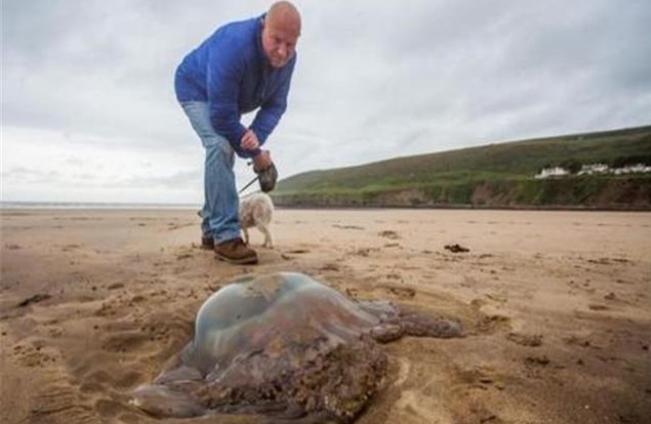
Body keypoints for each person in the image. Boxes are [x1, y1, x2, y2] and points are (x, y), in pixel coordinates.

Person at [175, 2, 301, 265]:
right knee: (220, 144)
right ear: (263, 25)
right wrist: (257, 155)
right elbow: (221, 118)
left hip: (231, 100)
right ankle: (225, 236)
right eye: (276, 40)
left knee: (229, 145)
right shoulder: (233, 46)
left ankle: (210, 231)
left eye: (290, 45)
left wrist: (254, 137)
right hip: (196, 89)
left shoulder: (289, 60)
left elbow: (275, 104)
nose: (282, 51)